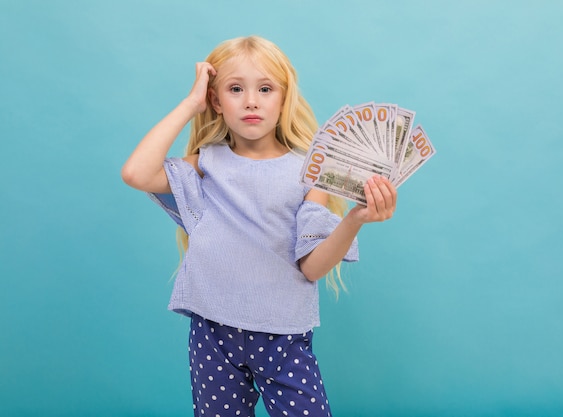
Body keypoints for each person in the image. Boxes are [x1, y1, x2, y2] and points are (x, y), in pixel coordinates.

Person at [121, 35, 396, 417]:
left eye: (265, 88)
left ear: (284, 99)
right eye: (235, 89)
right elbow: (136, 173)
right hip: (213, 330)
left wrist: (355, 219)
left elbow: (312, 267)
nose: (251, 100)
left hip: (283, 333)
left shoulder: (309, 173)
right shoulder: (206, 163)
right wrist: (190, 103)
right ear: (216, 101)